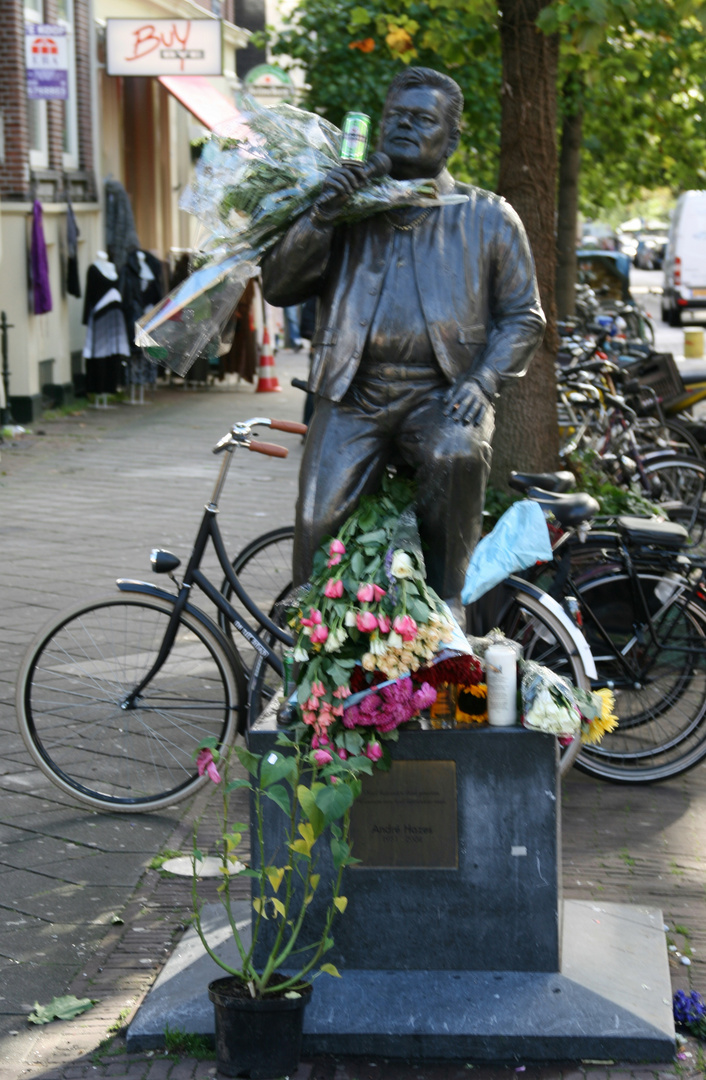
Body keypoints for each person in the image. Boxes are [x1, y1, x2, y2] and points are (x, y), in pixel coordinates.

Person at [262, 67, 545, 610]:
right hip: (354, 394)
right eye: (397, 117)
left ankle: (449, 611)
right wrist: (321, 215)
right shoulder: (345, 208)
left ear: (453, 138)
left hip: (442, 395)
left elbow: (524, 317)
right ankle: (316, 653)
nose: (406, 127)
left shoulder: (488, 217)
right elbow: (279, 288)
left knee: (455, 452)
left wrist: (483, 381)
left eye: (423, 119)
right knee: (318, 518)